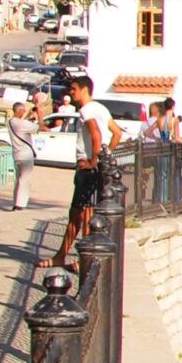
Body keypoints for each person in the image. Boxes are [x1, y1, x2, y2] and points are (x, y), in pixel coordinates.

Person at [54, 79, 114, 267]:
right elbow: (117, 133)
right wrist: (107, 155)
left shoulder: (86, 110)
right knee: (85, 213)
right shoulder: (101, 109)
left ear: (84, 90)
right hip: (96, 169)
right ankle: (70, 257)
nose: (71, 93)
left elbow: (95, 135)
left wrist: (92, 161)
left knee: (79, 213)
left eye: (73, 89)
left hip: (87, 169)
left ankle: (75, 258)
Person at [7, 99, 36, 211]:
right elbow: (41, 127)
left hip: (17, 155)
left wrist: (28, 115)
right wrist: (40, 114)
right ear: (19, 111)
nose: (24, 112)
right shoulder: (22, 124)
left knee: (18, 179)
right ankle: (20, 204)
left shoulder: (11, 122)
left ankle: (16, 202)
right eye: (23, 110)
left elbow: (22, 123)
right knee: (25, 180)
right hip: (26, 155)